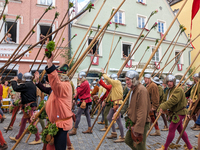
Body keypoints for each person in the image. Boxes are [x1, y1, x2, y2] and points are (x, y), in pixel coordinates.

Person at [34, 69, 75, 150]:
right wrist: (38, 82)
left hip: (60, 119)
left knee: (56, 142)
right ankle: (69, 146)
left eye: (50, 81)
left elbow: (56, 85)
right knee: (51, 142)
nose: (49, 83)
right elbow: (45, 89)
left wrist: (50, 65)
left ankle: (69, 145)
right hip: (54, 120)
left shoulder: (62, 87)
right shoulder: (53, 88)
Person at [156, 75, 193, 150]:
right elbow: (164, 100)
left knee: (171, 128)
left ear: (174, 82)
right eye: (168, 81)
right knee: (180, 130)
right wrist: (159, 108)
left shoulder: (178, 89)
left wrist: (163, 107)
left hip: (180, 112)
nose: (169, 83)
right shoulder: (168, 90)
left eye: (171, 81)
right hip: (175, 113)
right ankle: (190, 147)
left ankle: (165, 147)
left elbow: (173, 101)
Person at [120, 70, 150, 150]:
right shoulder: (132, 89)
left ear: (134, 79)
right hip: (133, 122)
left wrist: (138, 128)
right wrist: (118, 113)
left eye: (128, 80)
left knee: (140, 146)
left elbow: (142, 111)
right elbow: (126, 104)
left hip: (140, 123)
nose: (126, 82)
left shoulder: (141, 90)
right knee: (128, 140)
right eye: (126, 80)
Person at [9, 72, 41, 145]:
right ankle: (18, 137)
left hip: (29, 107)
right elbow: (27, 96)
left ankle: (38, 138)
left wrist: (14, 81)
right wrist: (22, 101)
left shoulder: (27, 85)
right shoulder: (32, 84)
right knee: (23, 121)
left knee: (32, 123)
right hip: (28, 106)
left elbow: (16, 88)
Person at [101, 69, 125, 143]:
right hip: (115, 104)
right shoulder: (114, 86)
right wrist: (105, 101)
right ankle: (114, 133)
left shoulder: (117, 83)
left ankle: (122, 136)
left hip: (118, 104)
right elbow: (110, 95)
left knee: (118, 121)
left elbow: (108, 79)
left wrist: (104, 73)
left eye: (111, 79)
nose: (109, 81)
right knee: (109, 117)